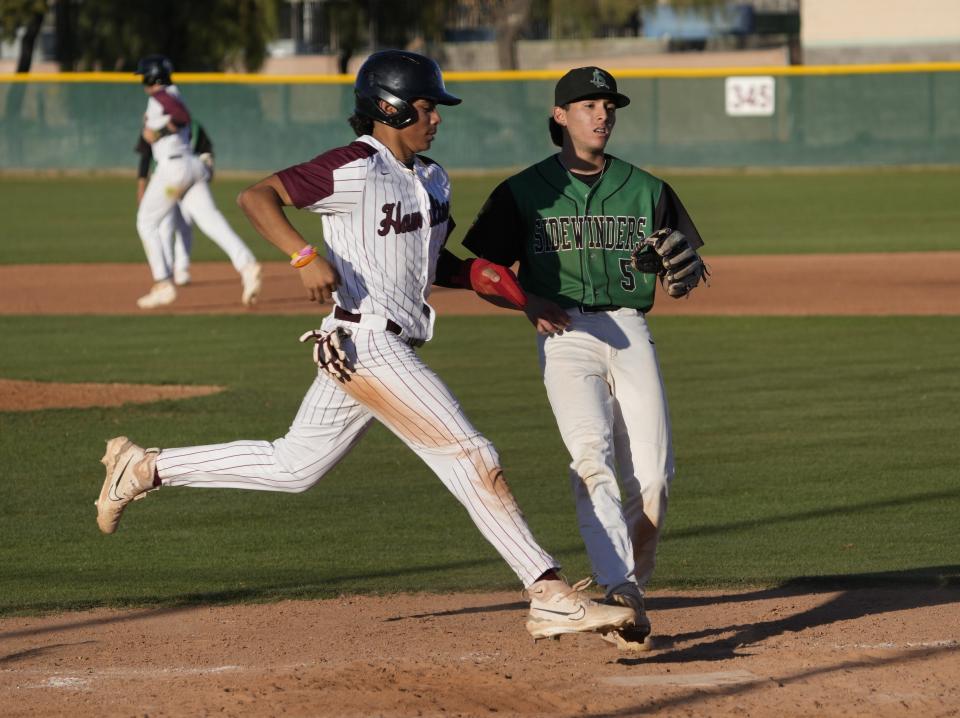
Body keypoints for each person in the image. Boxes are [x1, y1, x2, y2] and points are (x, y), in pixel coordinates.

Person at [94, 50, 637, 642]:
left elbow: (443, 267)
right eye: (427, 107)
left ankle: (147, 467)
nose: (437, 118)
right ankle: (548, 593)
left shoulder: (433, 178)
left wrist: (519, 296)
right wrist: (303, 256)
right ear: (390, 107)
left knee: (294, 466)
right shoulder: (352, 166)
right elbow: (257, 196)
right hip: (364, 342)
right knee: (472, 455)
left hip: (378, 347)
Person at [460, 66, 708, 649]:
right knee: (590, 457)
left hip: (629, 326)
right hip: (564, 333)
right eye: (588, 105)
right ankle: (621, 594)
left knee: (654, 476)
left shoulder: (648, 188)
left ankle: (629, 588)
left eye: (609, 106)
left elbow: (686, 265)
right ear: (560, 116)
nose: (602, 115)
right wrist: (525, 300)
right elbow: (483, 272)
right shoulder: (524, 191)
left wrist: (686, 276)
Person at [133, 54, 262, 309]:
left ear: (151, 77)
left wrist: (157, 132)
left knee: (146, 222)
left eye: (143, 77)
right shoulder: (172, 93)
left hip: (173, 169)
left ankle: (163, 283)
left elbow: (182, 116)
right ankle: (247, 265)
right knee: (211, 221)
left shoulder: (161, 96)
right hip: (191, 166)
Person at [134, 120, 214, 287]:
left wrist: (207, 166)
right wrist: (142, 186)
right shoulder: (157, 126)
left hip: (188, 180)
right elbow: (145, 156)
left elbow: (207, 153)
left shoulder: (195, 128)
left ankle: (181, 268)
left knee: (184, 225)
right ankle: (168, 269)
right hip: (163, 183)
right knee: (166, 225)